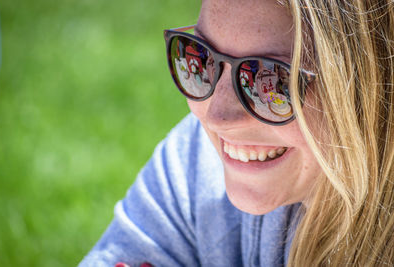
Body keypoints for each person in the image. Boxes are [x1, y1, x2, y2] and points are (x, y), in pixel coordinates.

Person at [80, 0, 394, 266]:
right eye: (199, 56)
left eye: (272, 80)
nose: (217, 117)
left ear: (372, 86)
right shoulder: (194, 166)